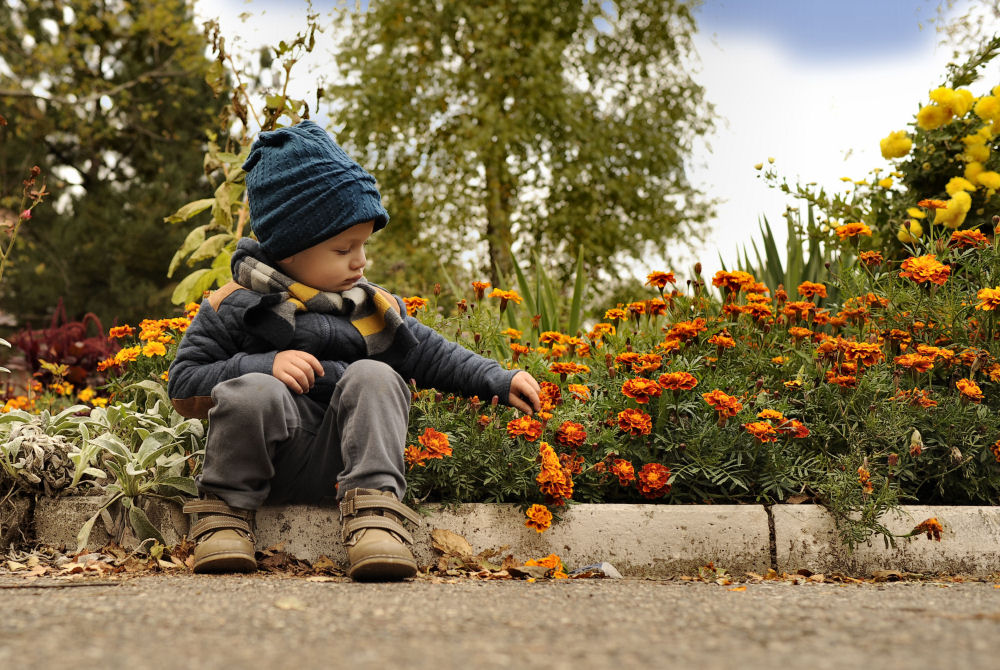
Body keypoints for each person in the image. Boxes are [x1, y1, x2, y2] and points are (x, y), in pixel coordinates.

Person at [167, 120, 541, 581]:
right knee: (254, 391)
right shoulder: (234, 303)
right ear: (288, 248)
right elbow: (184, 384)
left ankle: (377, 518)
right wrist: (263, 365)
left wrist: (498, 379)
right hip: (262, 462)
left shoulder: (370, 306)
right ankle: (222, 518)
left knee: (376, 375)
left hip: (343, 464)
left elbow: (432, 354)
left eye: (363, 244)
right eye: (343, 248)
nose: (360, 261)